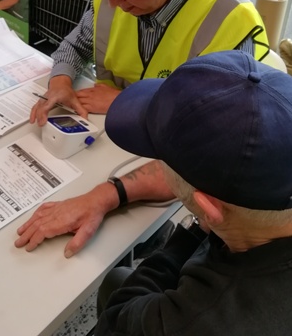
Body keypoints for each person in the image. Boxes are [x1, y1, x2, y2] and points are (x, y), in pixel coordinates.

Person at [15, 0, 269, 258]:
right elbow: (74, 45)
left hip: (171, 182)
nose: (112, 1)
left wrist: (125, 103)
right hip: (102, 145)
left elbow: (207, 153)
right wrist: (60, 82)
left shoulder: (230, 22)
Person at [93, 50, 292, 336]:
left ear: (209, 208)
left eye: (159, 158)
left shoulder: (194, 321)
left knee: (117, 283)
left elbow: (116, 322)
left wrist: (193, 230)